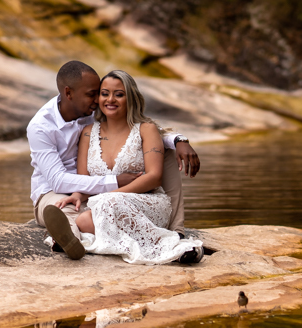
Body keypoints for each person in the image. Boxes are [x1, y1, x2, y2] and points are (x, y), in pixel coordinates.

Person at [27, 60, 199, 260]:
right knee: (66, 212)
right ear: (68, 93)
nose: (101, 100)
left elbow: (151, 136)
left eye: (117, 94)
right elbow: (58, 180)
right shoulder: (41, 127)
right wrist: (103, 188)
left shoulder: (92, 113)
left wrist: (180, 140)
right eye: (97, 93)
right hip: (55, 190)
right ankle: (70, 240)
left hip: (103, 195)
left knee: (166, 152)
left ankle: (174, 232)